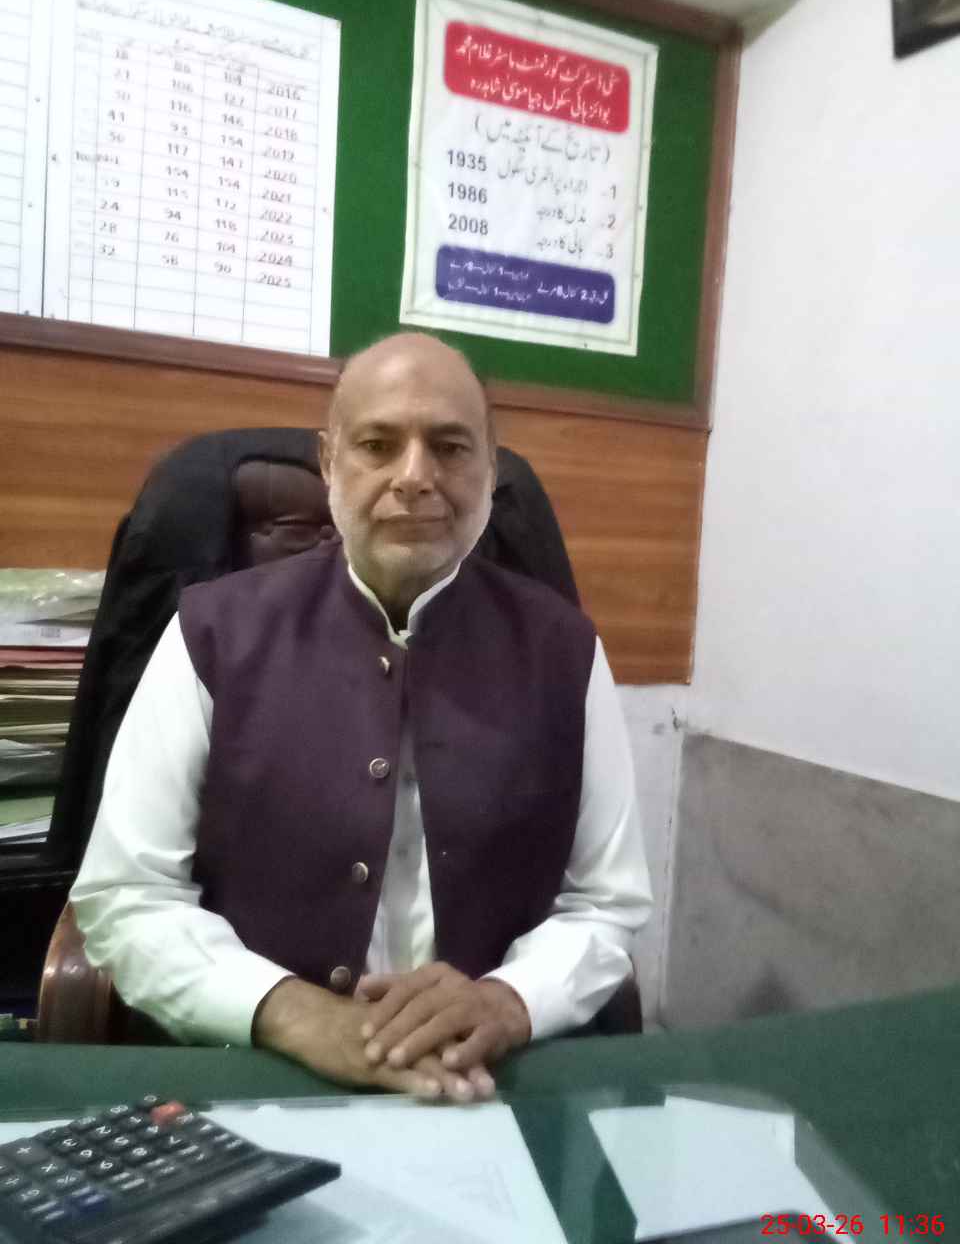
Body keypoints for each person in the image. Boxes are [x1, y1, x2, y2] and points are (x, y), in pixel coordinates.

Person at [71, 332, 652, 1102]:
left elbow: (606, 900)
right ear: (328, 462)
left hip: (486, 1081)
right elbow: (126, 894)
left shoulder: (565, 650)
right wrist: (290, 1012)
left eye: (450, 447)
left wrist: (510, 1000)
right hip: (261, 1078)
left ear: (490, 468)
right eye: (378, 445)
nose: (414, 476)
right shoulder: (212, 633)